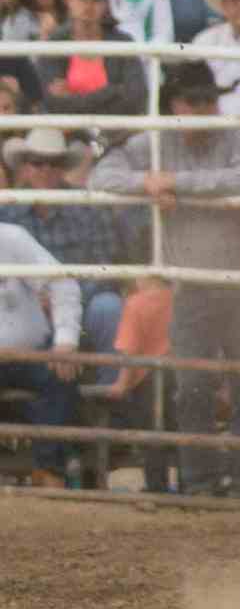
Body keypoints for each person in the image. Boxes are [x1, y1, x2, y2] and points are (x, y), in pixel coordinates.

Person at [87, 61, 240, 498]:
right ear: (175, 104)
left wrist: (174, 183)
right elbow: (103, 175)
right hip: (192, 283)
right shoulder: (154, 143)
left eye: (208, 100)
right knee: (192, 388)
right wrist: (147, 184)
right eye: (194, 100)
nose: (203, 108)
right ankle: (200, 484)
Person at [0, 128, 128, 397]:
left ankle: (109, 397)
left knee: (108, 307)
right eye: (37, 162)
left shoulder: (90, 206)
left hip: (78, 300)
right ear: (24, 168)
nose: (46, 169)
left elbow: (106, 270)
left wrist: (61, 296)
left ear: (63, 169)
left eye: (54, 162)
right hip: (24, 308)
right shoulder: (6, 210)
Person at [0, 214, 81, 488]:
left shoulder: (10, 237)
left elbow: (62, 282)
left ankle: (49, 471)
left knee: (60, 374)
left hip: (29, 352)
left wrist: (65, 342)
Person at [78, 273, 174, 494]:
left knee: (152, 434)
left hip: (144, 377)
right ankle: (189, 484)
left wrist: (121, 383)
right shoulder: (174, 299)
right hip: (173, 372)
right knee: (175, 430)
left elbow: (129, 350)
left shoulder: (135, 303)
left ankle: (156, 486)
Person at [36, 0, 145, 119]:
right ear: (68, 0)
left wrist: (73, 97)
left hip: (117, 131)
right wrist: (112, 92)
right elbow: (52, 102)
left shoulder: (123, 43)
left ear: (105, 4)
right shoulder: (54, 44)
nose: (88, 5)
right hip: (70, 133)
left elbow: (135, 98)